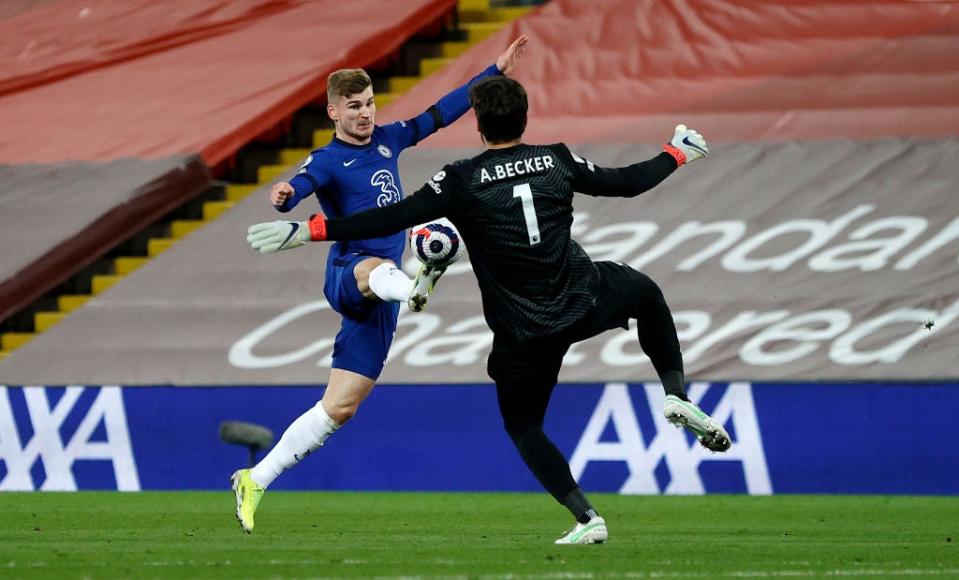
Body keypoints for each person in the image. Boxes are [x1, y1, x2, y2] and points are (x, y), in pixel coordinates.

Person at [246, 76, 731, 544]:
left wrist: (314, 230)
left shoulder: (460, 179)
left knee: (524, 426)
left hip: (523, 328)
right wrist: (676, 153)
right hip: (580, 295)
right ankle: (673, 392)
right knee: (645, 293)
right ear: (525, 119)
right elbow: (626, 182)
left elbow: (392, 216)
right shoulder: (555, 159)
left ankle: (587, 517)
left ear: (479, 126)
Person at [231, 36, 529, 534]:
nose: (365, 114)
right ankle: (416, 285)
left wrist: (492, 72)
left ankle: (254, 479)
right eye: (354, 107)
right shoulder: (326, 161)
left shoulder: (390, 138)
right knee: (375, 268)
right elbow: (296, 189)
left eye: (369, 103)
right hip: (351, 274)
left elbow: (441, 112)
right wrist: (284, 198)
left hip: (381, 297)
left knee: (340, 407)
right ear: (333, 111)